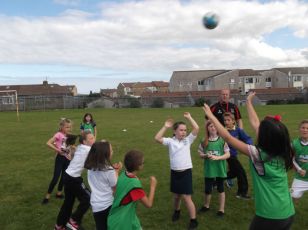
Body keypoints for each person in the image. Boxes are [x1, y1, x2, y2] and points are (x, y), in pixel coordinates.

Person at [202, 92, 295, 230]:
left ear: (265, 137)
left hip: (269, 216)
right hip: (288, 212)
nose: (257, 130)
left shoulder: (257, 154)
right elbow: (256, 124)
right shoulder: (285, 151)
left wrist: (211, 116)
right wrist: (248, 102)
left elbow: (228, 138)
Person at [155, 112, 199, 230]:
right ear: (175, 131)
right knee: (176, 196)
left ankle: (193, 220)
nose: (184, 132)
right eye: (181, 130)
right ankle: (177, 211)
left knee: (186, 197)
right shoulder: (170, 141)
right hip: (175, 173)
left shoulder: (188, 140)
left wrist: (189, 117)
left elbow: (196, 128)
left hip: (186, 173)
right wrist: (165, 126)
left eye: (185, 130)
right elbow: (157, 138)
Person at [54, 131, 95, 230]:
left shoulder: (81, 147)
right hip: (73, 178)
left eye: (93, 137)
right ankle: (73, 221)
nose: (93, 139)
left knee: (68, 203)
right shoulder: (88, 149)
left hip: (67, 176)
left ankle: (59, 226)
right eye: (90, 138)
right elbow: (99, 156)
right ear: (84, 141)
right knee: (87, 198)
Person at [107, 150, 157, 230]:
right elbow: (148, 204)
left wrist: (116, 172)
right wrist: (153, 186)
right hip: (122, 223)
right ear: (139, 166)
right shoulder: (134, 185)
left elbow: (115, 192)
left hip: (121, 217)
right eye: (142, 162)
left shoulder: (124, 174)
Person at [84, 141, 122, 230]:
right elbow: (116, 188)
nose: (112, 152)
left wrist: (114, 170)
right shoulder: (109, 171)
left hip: (96, 205)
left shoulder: (90, 168)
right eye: (111, 150)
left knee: (100, 226)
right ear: (105, 154)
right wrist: (116, 171)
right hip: (108, 204)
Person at [198, 120, 230, 217]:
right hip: (209, 169)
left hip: (220, 168)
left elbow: (228, 154)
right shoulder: (204, 140)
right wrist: (204, 155)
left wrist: (218, 157)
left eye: (215, 126)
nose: (213, 128)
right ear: (207, 128)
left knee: (220, 188)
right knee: (208, 189)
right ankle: (206, 205)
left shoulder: (222, 140)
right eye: (211, 126)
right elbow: (199, 153)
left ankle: (221, 209)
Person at [42, 118, 73, 204]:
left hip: (67, 158)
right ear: (62, 127)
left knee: (63, 177)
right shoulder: (58, 134)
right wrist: (57, 150)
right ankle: (47, 196)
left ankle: (59, 193)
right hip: (60, 158)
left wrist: (73, 149)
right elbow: (48, 143)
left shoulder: (69, 135)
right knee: (56, 178)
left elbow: (69, 145)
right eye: (67, 127)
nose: (69, 129)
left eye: (70, 127)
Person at [223, 112, 252, 199]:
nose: (226, 122)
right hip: (228, 156)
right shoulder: (223, 131)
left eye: (228, 120)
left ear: (233, 121)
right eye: (225, 120)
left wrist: (248, 146)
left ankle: (216, 180)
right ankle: (242, 193)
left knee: (233, 173)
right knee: (241, 173)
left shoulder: (238, 130)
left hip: (234, 155)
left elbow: (247, 138)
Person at [290, 119, 308, 201]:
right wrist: (299, 169)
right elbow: (291, 159)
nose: (305, 130)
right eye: (303, 128)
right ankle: (291, 213)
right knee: (293, 196)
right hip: (301, 177)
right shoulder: (294, 144)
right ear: (299, 129)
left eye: (307, 128)